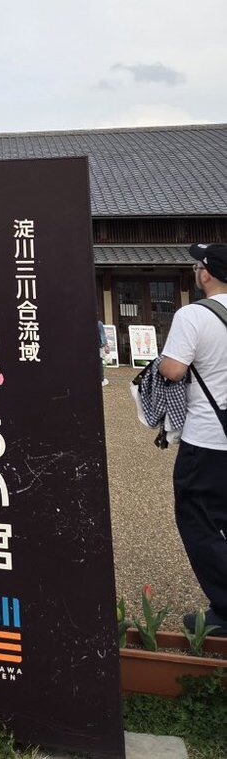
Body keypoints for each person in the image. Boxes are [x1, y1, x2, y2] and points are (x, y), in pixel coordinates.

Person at [158, 243, 227, 637]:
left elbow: (172, 369)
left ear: (206, 273)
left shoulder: (193, 315)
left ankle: (225, 610)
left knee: (199, 520)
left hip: (209, 438)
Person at [98, 320, 110, 386]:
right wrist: (106, 345)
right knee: (99, 362)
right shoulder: (99, 323)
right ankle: (101, 380)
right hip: (98, 346)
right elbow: (102, 335)